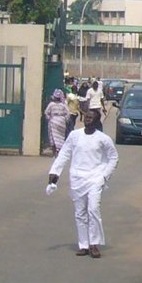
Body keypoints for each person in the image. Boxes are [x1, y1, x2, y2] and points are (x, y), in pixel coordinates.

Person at [47, 107, 119, 258]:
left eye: (91, 117)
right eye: (86, 116)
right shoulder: (75, 135)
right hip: (77, 179)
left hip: (95, 178)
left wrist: (105, 176)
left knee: (93, 209)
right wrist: (55, 172)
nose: (87, 119)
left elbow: (113, 157)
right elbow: (64, 154)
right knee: (80, 213)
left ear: (96, 120)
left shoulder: (103, 139)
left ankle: (94, 244)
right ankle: (84, 245)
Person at [44, 88, 71, 152]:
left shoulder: (51, 104)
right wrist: (65, 119)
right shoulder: (63, 105)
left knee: (53, 136)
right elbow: (68, 113)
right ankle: (60, 149)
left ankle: (54, 150)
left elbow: (46, 112)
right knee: (61, 137)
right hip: (62, 121)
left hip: (53, 120)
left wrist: (49, 118)